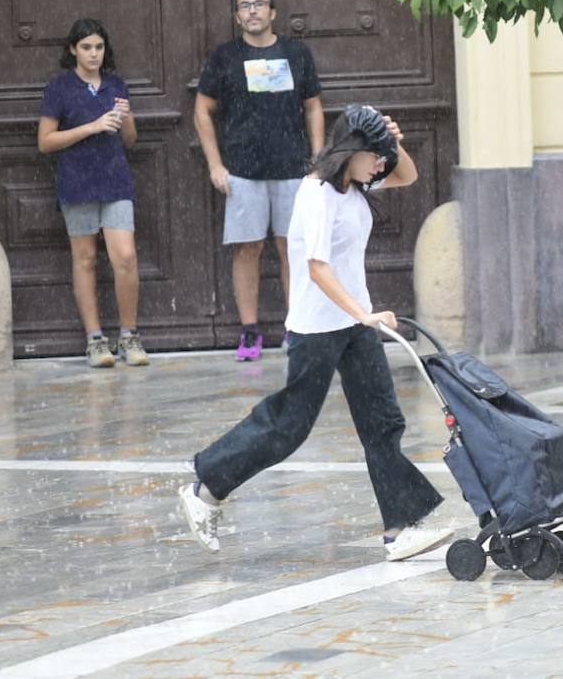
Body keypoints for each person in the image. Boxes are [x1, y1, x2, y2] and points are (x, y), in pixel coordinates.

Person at [178, 106, 454, 561]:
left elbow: (408, 175)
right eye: (375, 156)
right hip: (317, 329)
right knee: (289, 426)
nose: (380, 166)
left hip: (352, 323)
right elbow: (317, 268)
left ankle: (400, 528)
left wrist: (394, 142)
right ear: (351, 151)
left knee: (382, 422)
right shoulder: (317, 193)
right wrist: (363, 315)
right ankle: (205, 486)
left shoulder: (356, 183)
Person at [194, 0, 326, 361]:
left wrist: (318, 159)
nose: (252, 11)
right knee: (247, 250)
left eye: (259, 4)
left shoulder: (296, 53)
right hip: (243, 171)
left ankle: (296, 328)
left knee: (293, 249)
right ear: (237, 17)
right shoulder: (224, 57)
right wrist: (216, 165)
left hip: (293, 169)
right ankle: (249, 331)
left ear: (273, 13)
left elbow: (314, 106)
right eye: (244, 6)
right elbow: (202, 110)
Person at [38, 18, 148, 368]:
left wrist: (126, 119)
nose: (93, 54)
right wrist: (92, 126)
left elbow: (129, 141)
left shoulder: (116, 85)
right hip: (77, 182)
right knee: (85, 259)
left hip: (115, 180)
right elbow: (45, 142)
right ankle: (95, 340)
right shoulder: (59, 89)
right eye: (86, 47)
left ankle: (129, 335)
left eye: (99, 47)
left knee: (125, 257)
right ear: (73, 50)